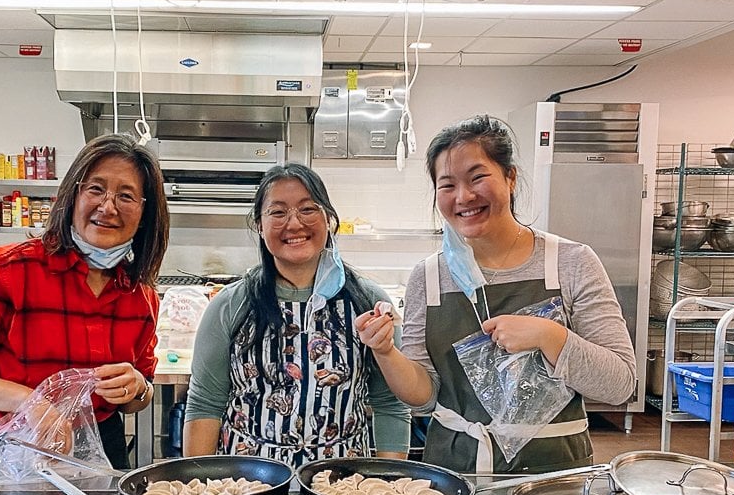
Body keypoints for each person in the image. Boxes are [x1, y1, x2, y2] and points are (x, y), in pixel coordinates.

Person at [355, 114, 637, 475]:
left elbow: (619, 384)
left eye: (477, 178)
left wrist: (550, 336)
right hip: (454, 473)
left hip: (554, 475)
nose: (463, 197)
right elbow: (423, 399)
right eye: (447, 185)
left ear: (510, 177)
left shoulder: (570, 262)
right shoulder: (428, 277)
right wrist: (385, 351)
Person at [0, 134, 169, 469]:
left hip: (101, 450)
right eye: (95, 189)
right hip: (15, 448)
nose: (108, 207)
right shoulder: (9, 270)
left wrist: (137, 387)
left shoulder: (140, 296)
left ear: (144, 213)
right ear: (72, 195)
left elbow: (140, 393)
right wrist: (31, 403)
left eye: (126, 196)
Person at [183, 164, 410, 466]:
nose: (294, 223)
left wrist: (386, 481)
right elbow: (205, 404)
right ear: (259, 225)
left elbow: (390, 403)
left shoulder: (368, 303)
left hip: (343, 478)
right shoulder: (230, 305)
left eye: (308, 209)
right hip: (248, 480)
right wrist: (202, 484)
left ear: (328, 219)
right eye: (278, 212)